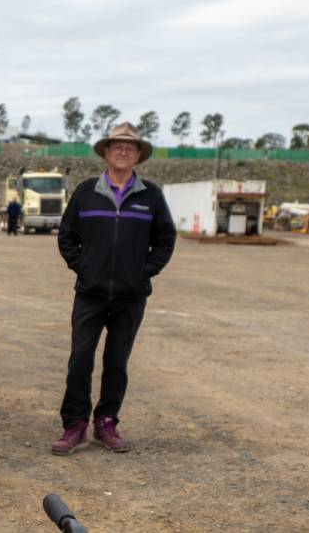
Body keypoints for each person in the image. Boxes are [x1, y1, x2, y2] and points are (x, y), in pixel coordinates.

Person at [52, 122, 175, 455]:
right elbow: (67, 235)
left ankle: (106, 421)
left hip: (130, 296)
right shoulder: (86, 191)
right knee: (80, 359)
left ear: (138, 156)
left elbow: (165, 240)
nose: (123, 151)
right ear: (106, 152)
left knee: (117, 361)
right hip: (90, 293)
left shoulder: (151, 196)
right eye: (117, 146)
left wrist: (142, 272)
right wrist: (85, 266)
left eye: (130, 147)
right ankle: (74, 425)